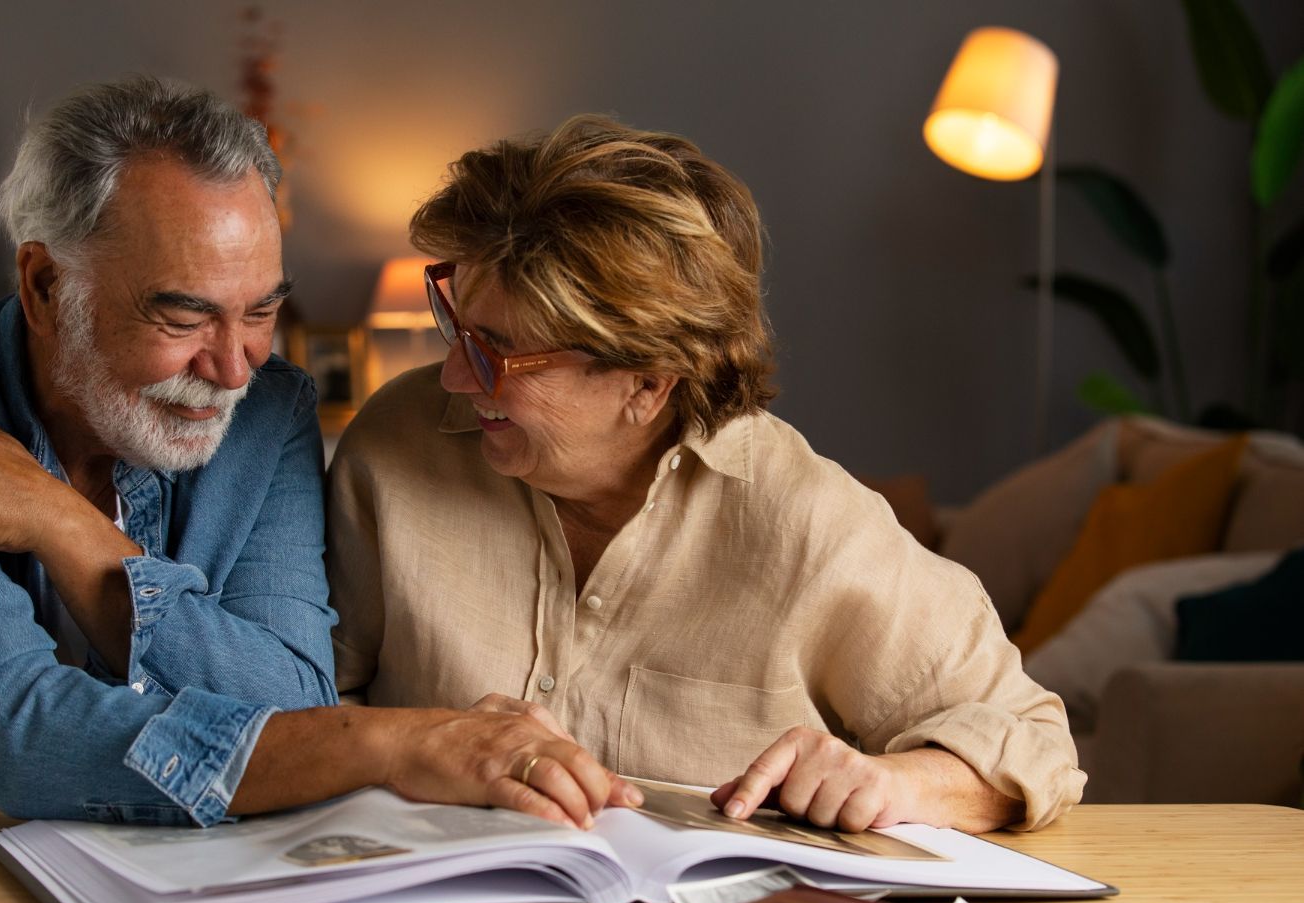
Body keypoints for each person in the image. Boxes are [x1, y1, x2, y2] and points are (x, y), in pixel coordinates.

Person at [0, 79, 630, 830]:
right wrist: (392, 746)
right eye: (183, 318)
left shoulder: (270, 409)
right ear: (47, 287)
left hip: (164, 875)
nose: (233, 368)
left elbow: (288, 696)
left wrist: (60, 524)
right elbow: (25, 738)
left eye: (261, 312)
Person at [327, 114, 1085, 833]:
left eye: (495, 352)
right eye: (456, 324)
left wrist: (899, 783)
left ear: (647, 382)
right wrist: (414, 742)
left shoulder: (805, 520)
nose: (455, 376)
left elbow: (1036, 741)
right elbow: (291, 709)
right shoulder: (397, 445)